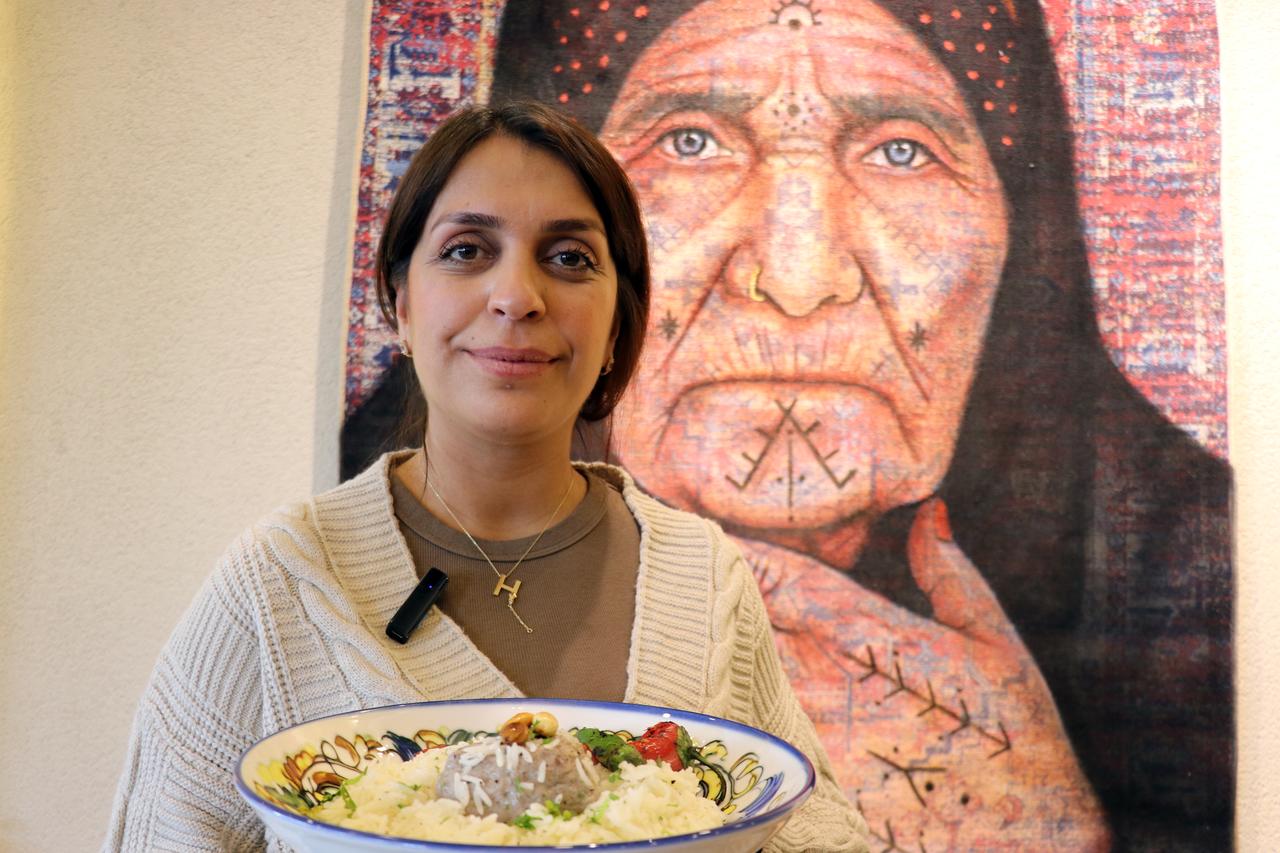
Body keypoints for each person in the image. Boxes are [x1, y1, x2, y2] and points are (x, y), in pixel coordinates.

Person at [345, 0, 1232, 847]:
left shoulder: (1178, 575)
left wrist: (1046, 834)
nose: (798, 278)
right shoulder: (334, 568)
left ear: (1024, 238)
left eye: (901, 152)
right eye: (691, 141)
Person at [104, 102, 870, 852]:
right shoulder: (280, 585)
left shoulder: (701, 578)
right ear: (401, 304)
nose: (516, 297)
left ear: (617, 325)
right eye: (468, 249)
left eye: (570, 259)